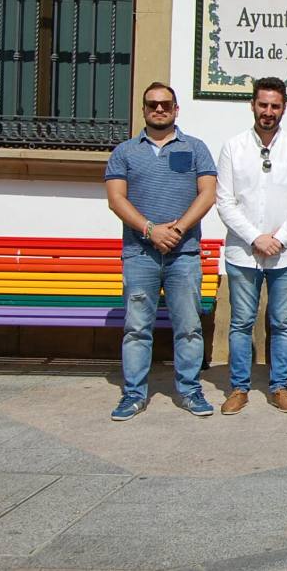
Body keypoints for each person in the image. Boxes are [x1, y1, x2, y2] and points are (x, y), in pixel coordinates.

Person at [104, 82, 217, 421]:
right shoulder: (124, 152)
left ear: (176, 109)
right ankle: (134, 395)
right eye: (152, 104)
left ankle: (190, 391)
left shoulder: (196, 148)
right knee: (137, 328)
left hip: (184, 254)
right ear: (143, 110)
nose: (159, 110)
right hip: (140, 255)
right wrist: (150, 230)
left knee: (189, 326)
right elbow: (116, 198)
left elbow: (207, 194)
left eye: (165, 104)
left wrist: (177, 230)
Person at [215, 77, 287, 415]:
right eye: (263, 105)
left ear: (283, 108)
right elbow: (225, 202)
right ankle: (239, 388)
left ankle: (279, 387)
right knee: (242, 323)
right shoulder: (234, 147)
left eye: (275, 106)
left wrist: (279, 238)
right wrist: (255, 237)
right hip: (243, 254)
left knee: (283, 323)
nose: (268, 112)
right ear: (253, 106)